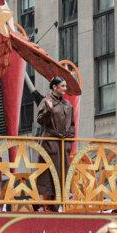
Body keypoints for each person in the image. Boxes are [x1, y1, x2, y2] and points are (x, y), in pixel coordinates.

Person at [35, 76, 74, 208]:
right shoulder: (46, 101)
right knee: (49, 174)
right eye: (62, 86)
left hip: (63, 144)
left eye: (65, 86)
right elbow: (40, 120)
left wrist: (69, 143)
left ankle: (60, 203)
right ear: (54, 87)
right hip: (50, 143)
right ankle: (47, 204)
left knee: (63, 173)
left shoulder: (68, 105)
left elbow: (72, 125)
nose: (65, 89)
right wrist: (48, 110)